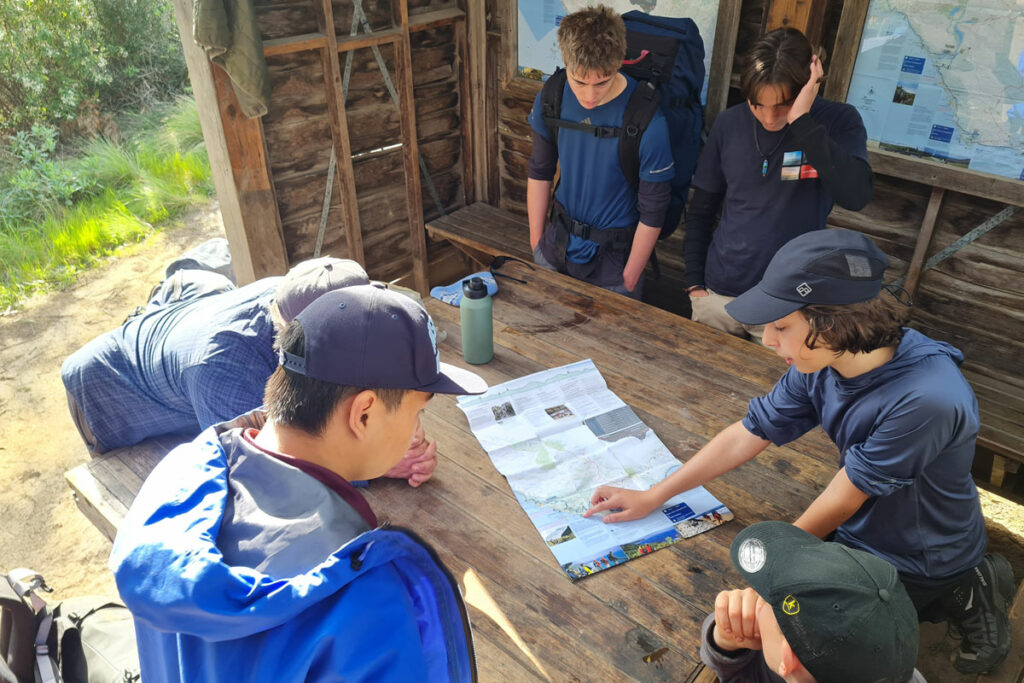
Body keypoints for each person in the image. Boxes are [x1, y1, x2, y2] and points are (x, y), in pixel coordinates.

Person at [587, 229, 1014, 674]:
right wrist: (656, 495)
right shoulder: (824, 358)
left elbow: (845, 495)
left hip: (920, 552)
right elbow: (750, 431)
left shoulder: (928, 397)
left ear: (834, 321)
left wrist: (770, 571)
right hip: (856, 531)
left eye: (781, 325)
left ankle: (972, 586)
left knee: (826, 650)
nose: (769, 340)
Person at [109, 284, 487, 681]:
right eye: (417, 412)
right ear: (363, 415)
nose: (416, 431)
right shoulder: (361, 597)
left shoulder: (179, 474)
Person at [60, 256, 438, 486]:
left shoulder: (293, 291)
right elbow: (271, 471)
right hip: (103, 394)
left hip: (178, 346)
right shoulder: (224, 369)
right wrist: (379, 463)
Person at [683, 28, 872, 340]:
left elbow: (856, 195)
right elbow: (702, 209)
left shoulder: (838, 122)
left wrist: (802, 122)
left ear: (807, 87)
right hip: (718, 296)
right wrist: (695, 286)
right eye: (757, 104)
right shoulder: (729, 123)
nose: (769, 118)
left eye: (782, 105)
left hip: (788, 303)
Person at [527, 5, 675, 300]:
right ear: (565, 62)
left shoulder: (646, 119)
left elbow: (654, 207)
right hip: (555, 247)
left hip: (615, 266)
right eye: (579, 81)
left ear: (620, 61)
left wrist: (631, 276)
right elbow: (539, 171)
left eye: (602, 82)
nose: (589, 95)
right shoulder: (553, 95)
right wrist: (535, 244)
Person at [703, 520, 924, 682]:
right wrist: (724, 642)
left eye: (769, 597)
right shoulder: (895, 671)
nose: (755, 597)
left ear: (787, 660)